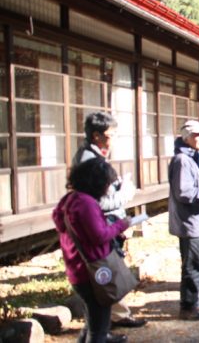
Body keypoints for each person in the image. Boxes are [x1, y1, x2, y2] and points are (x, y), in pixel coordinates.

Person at [72, 112, 147, 330]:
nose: (112, 138)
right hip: (102, 225)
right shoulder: (89, 160)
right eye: (110, 134)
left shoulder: (92, 155)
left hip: (105, 223)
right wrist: (125, 192)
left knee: (108, 269)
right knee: (106, 271)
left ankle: (113, 317)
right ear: (96, 136)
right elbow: (98, 201)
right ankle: (110, 322)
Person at [53, 158, 132, 343]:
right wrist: (121, 225)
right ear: (97, 183)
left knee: (92, 321)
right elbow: (98, 236)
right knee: (99, 324)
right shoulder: (86, 203)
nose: (108, 188)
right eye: (107, 183)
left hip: (77, 268)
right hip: (92, 270)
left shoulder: (69, 199)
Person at [169, 120, 199, 320]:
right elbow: (184, 192)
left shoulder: (195, 158)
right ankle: (188, 306)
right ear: (186, 137)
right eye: (197, 135)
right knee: (193, 265)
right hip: (190, 223)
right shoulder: (182, 159)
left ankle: (197, 300)